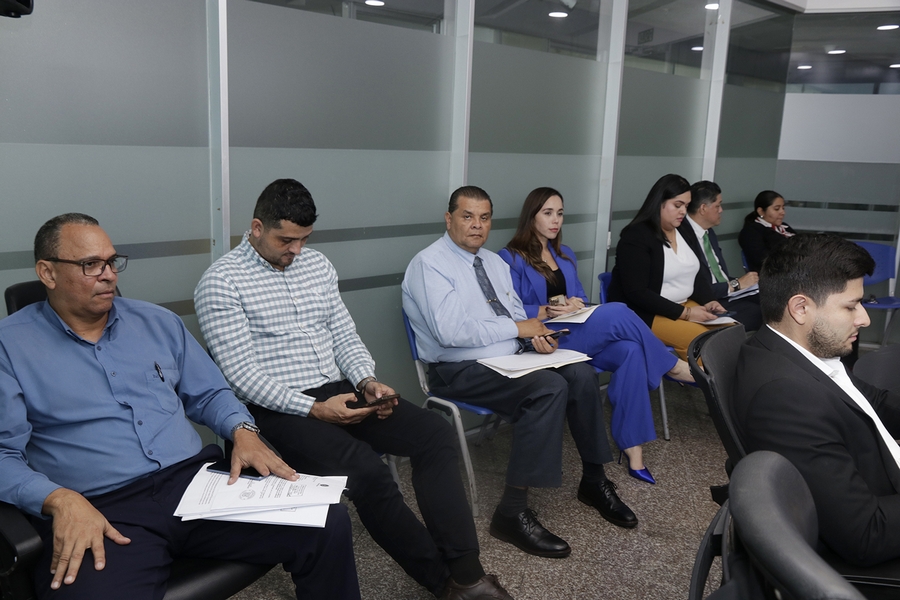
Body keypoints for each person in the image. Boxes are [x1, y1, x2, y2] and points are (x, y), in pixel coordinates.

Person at [0, 213, 359, 600]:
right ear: (48, 273)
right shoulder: (10, 347)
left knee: (326, 520)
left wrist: (243, 431)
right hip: (100, 508)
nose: (109, 275)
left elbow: (211, 394)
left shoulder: (158, 322)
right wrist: (59, 499)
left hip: (194, 487)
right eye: (91, 265)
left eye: (112, 261)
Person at [194, 179, 511, 600]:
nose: (297, 250)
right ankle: (443, 583)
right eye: (286, 240)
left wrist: (367, 381)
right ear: (256, 228)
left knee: (434, 434)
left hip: (340, 389)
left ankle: (468, 574)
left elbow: (344, 335)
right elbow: (239, 376)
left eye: (304, 239)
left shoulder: (317, 265)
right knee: (366, 471)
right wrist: (315, 409)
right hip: (278, 409)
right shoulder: (221, 282)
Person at [402, 185, 638, 562]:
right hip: (458, 369)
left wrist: (535, 338)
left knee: (579, 372)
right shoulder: (429, 265)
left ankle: (594, 480)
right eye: (467, 216)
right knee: (548, 387)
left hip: (511, 357)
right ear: (449, 219)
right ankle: (510, 513)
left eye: (484, 218)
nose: (477, 225)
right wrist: (518, 330)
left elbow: (515, 315)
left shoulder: (494, 263)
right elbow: (450, 332)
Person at [498, 186, 694, 485]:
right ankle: (672, 367)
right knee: (617, 311)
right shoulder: (510, 257)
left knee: (630, 350)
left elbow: (579, 295)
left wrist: (575, 304)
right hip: (541, 338)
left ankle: (632, 446)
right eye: (547, 213)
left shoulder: (565, 254)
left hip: (572, 331)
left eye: (560, 213)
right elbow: (508, 309)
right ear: (531, 216)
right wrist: (547, 310)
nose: (556, 220)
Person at [733, 233, 900, 567]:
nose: (864, 318)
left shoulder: (805, 353)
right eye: (851, 306)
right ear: (800, 308)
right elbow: (868, 534)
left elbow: (875, 402)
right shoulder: (785, 398)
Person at [608, 174, 727, 360]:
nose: (683, 212)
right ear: (659, 203)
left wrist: (708, 300)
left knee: (731, 331)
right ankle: (708, 378)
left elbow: (693, 273)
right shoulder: (636, 237)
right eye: (677, 205)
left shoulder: (683, 230)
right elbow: (637, 292)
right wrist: (686, 313)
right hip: (646, 313)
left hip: (684, 304)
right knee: (703, 342)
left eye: (686, 206)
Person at [678, 180, 762, 332]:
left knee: (773, 300)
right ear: (703, 208)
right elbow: (694, 284)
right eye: (718, 206)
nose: (721, 210)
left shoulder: (708, 232)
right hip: (706, 300)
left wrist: (741, 284)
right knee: (759, 313)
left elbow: (718, 274)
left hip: (726, 292)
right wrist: (736, 284)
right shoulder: (681, 235)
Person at [738, 190, 795, 273]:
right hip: (775, 275)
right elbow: (762, 261)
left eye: (783, 208)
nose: (782, 212)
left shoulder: (784, 227)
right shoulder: (751, 232)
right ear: (761, 211)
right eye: (777, 209)